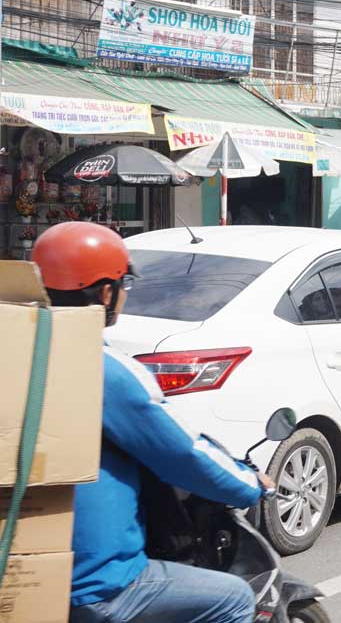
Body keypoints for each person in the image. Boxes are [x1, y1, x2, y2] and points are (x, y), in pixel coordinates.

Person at [32, 222, 273, 623]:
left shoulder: (21, 351)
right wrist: (249, 484)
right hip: (96, 587)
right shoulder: (100, 367)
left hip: (24, 573)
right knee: (232, 599)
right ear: (106, 292)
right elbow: (181, 452)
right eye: (124, 285)